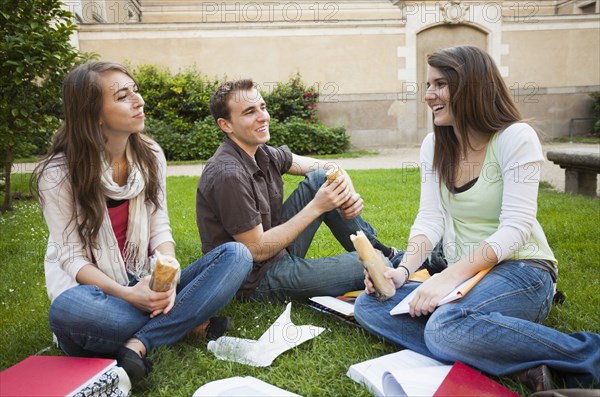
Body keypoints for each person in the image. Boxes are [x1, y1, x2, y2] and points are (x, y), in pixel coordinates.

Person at [354, 45, 600, 392]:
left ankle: (587, 354)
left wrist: (446, 279)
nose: (428, 95)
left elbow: (516, 229)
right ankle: (516, 362)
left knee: (443, 327)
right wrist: (402, 272)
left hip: (523, 271)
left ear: (471, 86)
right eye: (427, 85)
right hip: (465, 279)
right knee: (370, 305)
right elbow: (429, 219)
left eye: (439, 84)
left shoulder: (516, 137)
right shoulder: (434, 145)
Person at [33, 62, 252, 383]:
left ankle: (139, 342)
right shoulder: (57, 174)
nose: (139, 101)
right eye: (123, 96)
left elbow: (159, 227)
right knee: (68, 311)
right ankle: (189, 321)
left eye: (135, 90)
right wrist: (129, 294)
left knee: (237, 255)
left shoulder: (149, 155)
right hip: (95, 295)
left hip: (145, 279)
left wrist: (169, 269)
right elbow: (71, 258)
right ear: (93, 114)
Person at [196, 79, 398, 301]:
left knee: (323, 179)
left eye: (262, 107)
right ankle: (386, 259)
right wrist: (318, 206)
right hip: (255, 278)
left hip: (277, 251)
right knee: (379, 264)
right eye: (249, 112)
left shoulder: (262, 153)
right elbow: (255, 250)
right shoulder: (228, 174)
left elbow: (327, 168)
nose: (263, 116)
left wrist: (347, 192)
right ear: (226, 125)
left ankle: (385, 252)